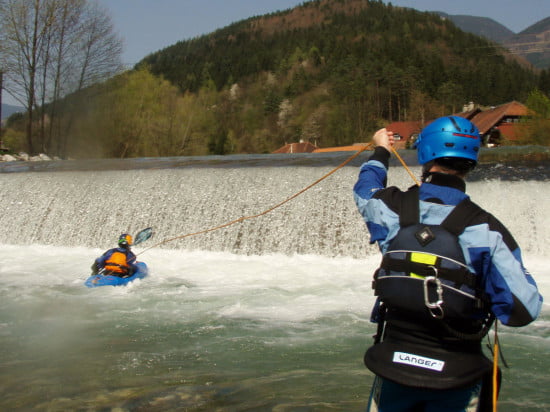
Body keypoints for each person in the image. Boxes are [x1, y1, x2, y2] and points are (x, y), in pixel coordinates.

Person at [353, 116, 542, 411]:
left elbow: (365, 188)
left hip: (394, 366)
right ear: (472, 159)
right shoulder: (488, 230)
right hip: (457, 375)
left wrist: (381, 150)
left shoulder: (388, 207)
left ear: (426, 154)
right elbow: (524, 310)